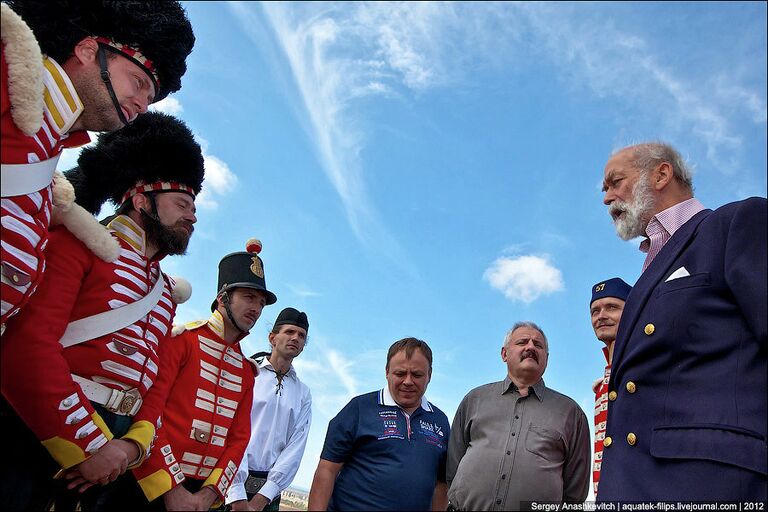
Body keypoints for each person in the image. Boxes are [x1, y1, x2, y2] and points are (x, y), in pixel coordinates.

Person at [0, 111, 204, 511]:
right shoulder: (79, 244)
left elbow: (156, 383)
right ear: (142, 199)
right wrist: (89, 445)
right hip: (40, 430)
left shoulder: (164, 291)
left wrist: (130, 445)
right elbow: (28, 347)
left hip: (115, 451)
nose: (192, 216)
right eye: (182, 203)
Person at [1, 0, 195, 330]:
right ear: (89, 50)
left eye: (150, 98)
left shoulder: (48, 150)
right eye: (139, 82)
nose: (143, 106)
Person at [599, 142, 767, 501]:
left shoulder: (736, 222)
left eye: (615, 182)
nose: (607, 197)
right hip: (632, 486)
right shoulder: (648, 269)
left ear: (661, 174)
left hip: (711, 482)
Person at [128, 239, 279, 511]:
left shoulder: (246, 370)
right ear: (222, 298)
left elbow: (238, 438)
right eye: (248, 297)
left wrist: (209, 494)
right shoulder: (181, 341)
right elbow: (150, 413)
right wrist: (171, 488)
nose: (256, 308)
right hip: (148, 486)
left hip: (202, 498)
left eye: (260, 302)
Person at [447, 321, 590, 510]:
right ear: (504, 354)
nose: (530, 347)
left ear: (546, 358)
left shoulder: (571, 413)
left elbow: (575, 492)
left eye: (538, 345)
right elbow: (454, 464)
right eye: (522, 342)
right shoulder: (475, 399)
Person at [309, 337, 450, 511]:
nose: (408, 381)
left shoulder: (441, 421)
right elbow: (327, 471)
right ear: (387, 372)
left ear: (429, 375)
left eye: (417, 374)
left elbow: (441, 484)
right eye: (400, 373)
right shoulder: (359, 408)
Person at [226, 308, 312, 512]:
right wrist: (237, 493)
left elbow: (296, 446)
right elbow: (228, 428)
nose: (295, 338)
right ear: (272, 338)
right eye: (289, 332)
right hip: (227, 484)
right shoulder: (246, 372)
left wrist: (262, 499)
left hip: (268, 497)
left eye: (301, 335)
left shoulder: (303, 392)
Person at [588, 277, 631, 496]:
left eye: (612, 307)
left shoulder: (645, 370)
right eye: (595, 311)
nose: (601, 316)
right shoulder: (602, 383)